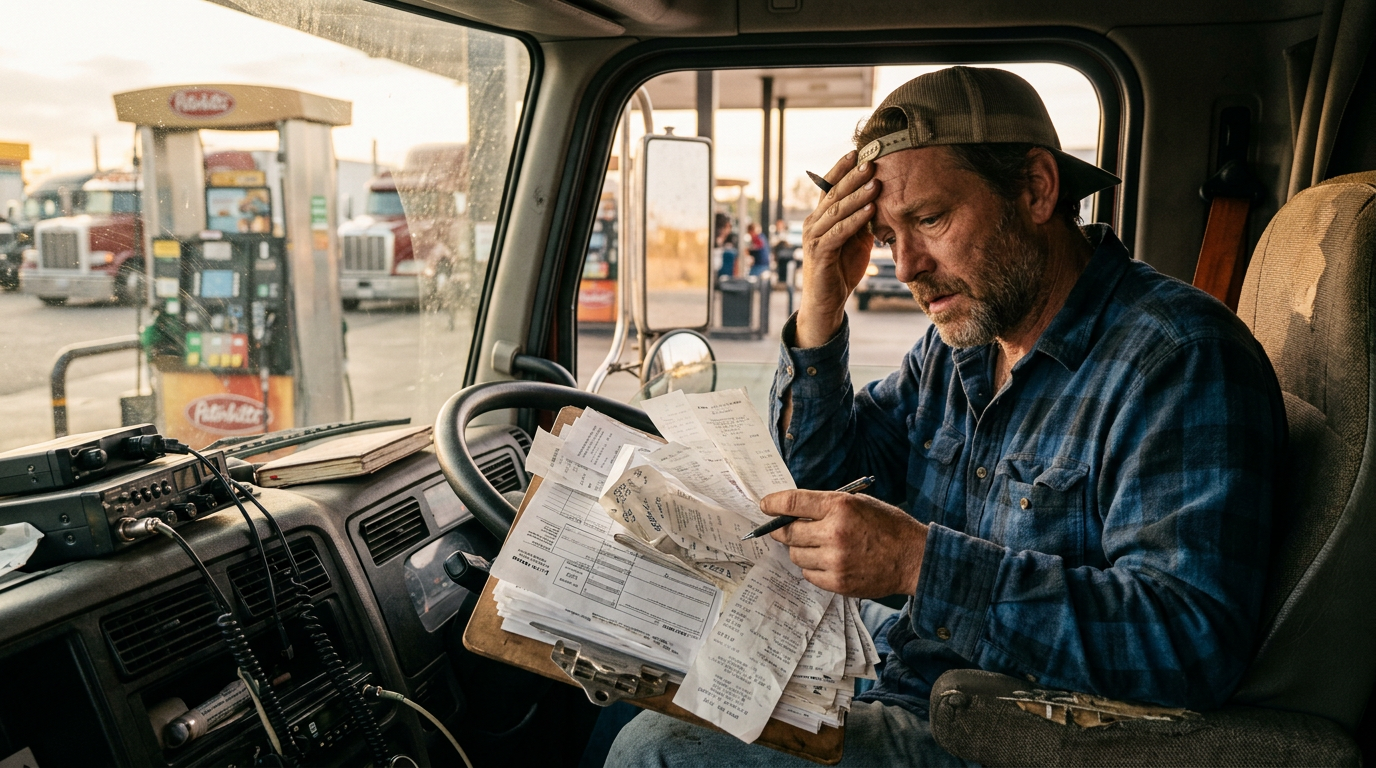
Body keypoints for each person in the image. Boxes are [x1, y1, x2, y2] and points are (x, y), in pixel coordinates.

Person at [608, 66, 1285, 766]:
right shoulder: (957, 347)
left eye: (929, 219)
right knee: (639, 671)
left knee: (656, 750)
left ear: (1034, 189)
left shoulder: (1178, 359)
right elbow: (825, 482)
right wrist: (821, 310)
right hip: (912, 669)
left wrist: (915, 562)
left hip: (1007, 732)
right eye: (883, 236)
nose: (904, 266)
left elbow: (1189, 641)